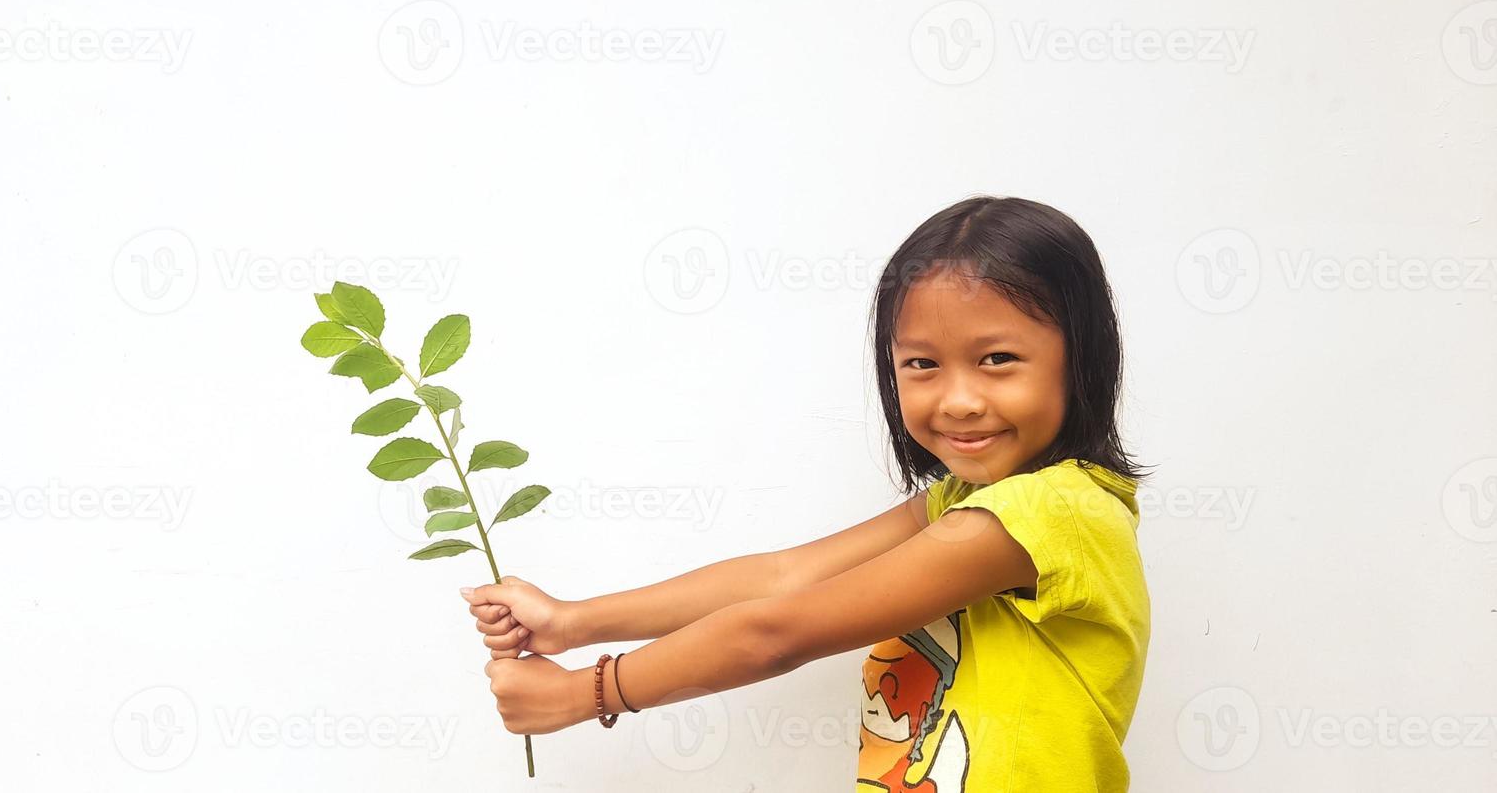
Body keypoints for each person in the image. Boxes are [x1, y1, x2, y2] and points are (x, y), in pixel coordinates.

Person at [459, 195, 1153, 792]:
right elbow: (782, 578)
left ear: (1082, 356)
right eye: (922, 364)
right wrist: (572, 621)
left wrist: (587, 693)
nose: (959, 400)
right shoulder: (966, 501)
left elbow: (778, 631)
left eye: (997, 359)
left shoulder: (1046, 512)